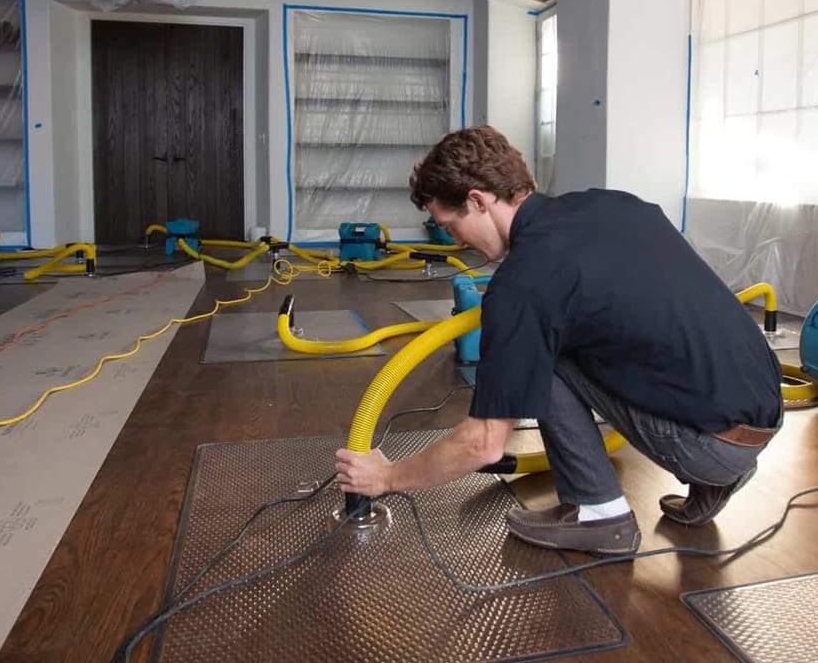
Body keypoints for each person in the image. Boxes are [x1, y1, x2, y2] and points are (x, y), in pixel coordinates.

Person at [334, 126, 782, 554]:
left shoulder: (523, 281)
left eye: (451, 225)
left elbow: (484, 444)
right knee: (592, 337)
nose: (456, 241)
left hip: (713, 445)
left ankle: (599, 514)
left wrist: (388, 477)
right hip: (765, 406)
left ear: (478, 200)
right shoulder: (616, 204)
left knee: (542, 352)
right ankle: (717, 477)